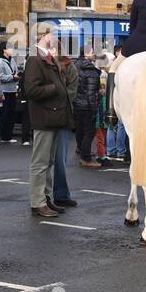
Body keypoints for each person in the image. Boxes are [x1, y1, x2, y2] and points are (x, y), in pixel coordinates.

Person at [23, 26, 71, 218]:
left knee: (49, 162)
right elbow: (32, 90)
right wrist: (55, 88)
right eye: (51, 34)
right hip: (44, 117)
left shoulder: (48, 59)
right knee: (40, 163)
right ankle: (37, 202)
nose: (55, 38)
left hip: (54, 117)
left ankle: (46, 198)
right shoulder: (35, 60)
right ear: (43, 37)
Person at [51, 52, 79, 204]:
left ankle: (60, 194)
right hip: (49, 116)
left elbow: (71, 94)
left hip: (62, 116)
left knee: (59, 158)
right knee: (44, 160)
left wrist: (51, 94)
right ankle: (45, 196)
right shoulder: (44, 64)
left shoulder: (70, 68)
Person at [74, 44, 103, 167]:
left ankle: (81, 149)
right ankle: (86, 158)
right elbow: (91, 92)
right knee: (89, 131)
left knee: (80, 129)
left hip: (77, 103)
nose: (94, 53)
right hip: (87, 105)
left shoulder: (75, 65)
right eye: (91, 51)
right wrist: (94, 108)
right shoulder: (90, 70)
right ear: (85, 54)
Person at [105, 46, 127, 161]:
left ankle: (110, 151)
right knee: (121, 125)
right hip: (122, 98)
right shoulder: (124, 65)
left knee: (111, 126)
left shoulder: (111, 66)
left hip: (110, 99)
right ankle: (120, 151)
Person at [0, 44, 20, 142]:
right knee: (2, 114)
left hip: (13, 90)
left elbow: (15, 72)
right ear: (4, 50)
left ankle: (7, 136)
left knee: (11, 114)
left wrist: (16, 77)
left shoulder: (12, 60)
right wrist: (12, 77)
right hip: (3, 91)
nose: (12, 50)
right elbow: (0, 76)